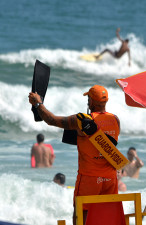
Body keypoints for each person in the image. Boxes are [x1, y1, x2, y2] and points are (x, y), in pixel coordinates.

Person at [28, 85, 121, 225]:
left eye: (88, 98)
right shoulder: (115, 120)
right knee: (104, 213)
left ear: (91, 101)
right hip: (110, 178)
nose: (87, 101)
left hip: (89, 177)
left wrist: (38, 103)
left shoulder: (81, 120)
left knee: (81, 211)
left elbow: (52, 120)